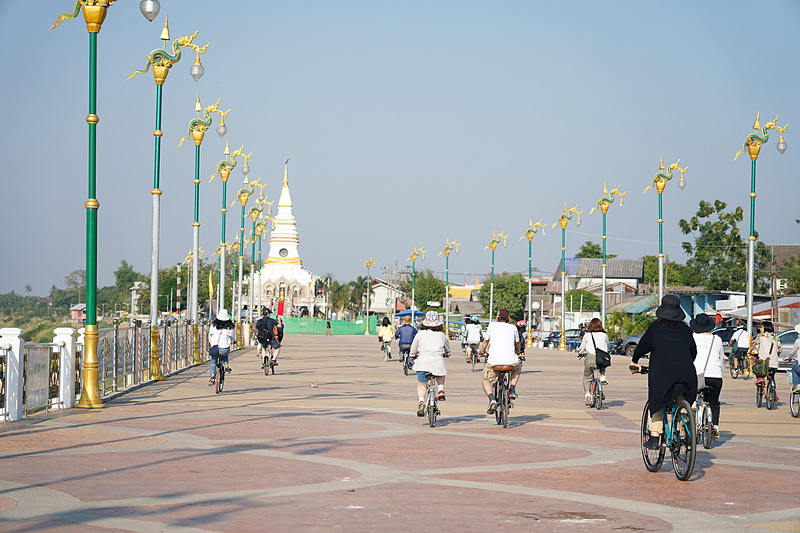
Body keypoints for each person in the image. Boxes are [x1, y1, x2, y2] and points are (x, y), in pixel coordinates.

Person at [630, 295, 697, 450]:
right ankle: (687, 425)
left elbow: (642, 346)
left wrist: (635, 361)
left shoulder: (655, 327)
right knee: (683, 398)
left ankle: (654, 438)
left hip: (662, 373)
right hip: (686, 372)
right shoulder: (686, 329)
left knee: (657, 401)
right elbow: (693, 351)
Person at [479, 308, 521, 413]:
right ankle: (511, 390)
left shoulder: (492, 325)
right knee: (517, 368)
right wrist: (518, 353)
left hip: (494, 361)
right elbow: (518, 343)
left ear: (497, 318)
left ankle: (492, 400)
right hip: (511, 361)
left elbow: (485, 342)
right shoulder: (513, 327)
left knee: (486, 379)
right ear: (509, 319)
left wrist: (482, 351)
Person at [691, 313, 725, 438]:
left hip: (696, 375)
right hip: (716, 376)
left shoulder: (692, 337)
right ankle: (715, 426)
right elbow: (721, 357)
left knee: (692, 396)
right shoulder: (717, 339)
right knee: (714, 402)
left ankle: (693, 407)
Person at [410, 311, 451, 416]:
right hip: (437, 363)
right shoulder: (442, 335)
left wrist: (412, 355)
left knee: (422, 384)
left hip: (423, 363)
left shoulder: (420, 334)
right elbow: (448, 350)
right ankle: (441, 390)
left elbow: (413, 349)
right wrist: (447, 354)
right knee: (441, 372)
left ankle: (421, 402)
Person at [577, 317, 610, 405]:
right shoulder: (604, 335)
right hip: (602, 359)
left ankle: (587, 394)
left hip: (590, 358)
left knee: (587, 376)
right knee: (603, 363)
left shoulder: (587, 335)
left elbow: (582, 348)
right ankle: (602, 376)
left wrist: (580, 353)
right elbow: (608, 346)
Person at [750, 320, 781, 400]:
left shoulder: (761, 336)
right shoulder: (776, 337)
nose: (760, 329)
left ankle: (760, 379)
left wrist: (750, 351)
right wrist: (776, 354)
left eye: (761, 327)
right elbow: (780, 350)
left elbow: (753, 345)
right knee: (771, 377)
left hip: (763, 362)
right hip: (774, 363)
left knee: (757, 369)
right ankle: (773, 393)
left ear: (765, 327)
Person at [208, 309, 235, 386]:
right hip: (224, 349)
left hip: (214, 348)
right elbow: (232, 336)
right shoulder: (230, 326)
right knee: (225, 350)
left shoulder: (213, 325)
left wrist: (211, 342)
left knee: (213, 362)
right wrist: (233, 341)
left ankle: (212, 377)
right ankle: (226, 366)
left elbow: (210, 335)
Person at [783, 324, 800, 393]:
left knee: (794, 368)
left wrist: (788, 357)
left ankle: (797, 385)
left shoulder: (798, 341)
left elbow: (792, 352)